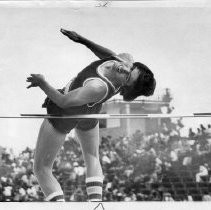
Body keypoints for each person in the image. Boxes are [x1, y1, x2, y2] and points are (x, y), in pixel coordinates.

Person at [26, 28, 156, 202]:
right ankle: (96, 203)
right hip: (91, 112)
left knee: (41, 168)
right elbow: (110, 56)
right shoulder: (126, 60)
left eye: (127, 77)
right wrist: (82, 40)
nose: (123, 69)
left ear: (126, 87)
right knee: (92, 156)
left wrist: (42, 83)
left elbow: (63, 101)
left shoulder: (98, 87)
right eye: (130, 68)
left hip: (67, 112)